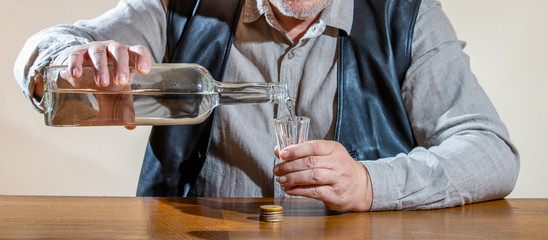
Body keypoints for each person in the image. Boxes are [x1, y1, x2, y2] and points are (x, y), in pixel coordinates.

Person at [14, 0, 519, 211]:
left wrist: (370, 183)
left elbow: (492, 152)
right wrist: (63, 65)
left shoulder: (407, 17)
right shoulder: (185, 4)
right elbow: (40, 53)